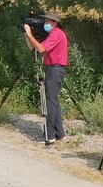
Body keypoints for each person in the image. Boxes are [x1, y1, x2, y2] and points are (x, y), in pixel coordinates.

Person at [22, 12, 68, 144]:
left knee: (50, 102)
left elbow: (41, 49)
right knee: (53, 101)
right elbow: (34, 48)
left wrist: (30, 35)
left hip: (55, 69)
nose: (45, 24)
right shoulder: (52, 34)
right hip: (52, 69)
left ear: (55, 23)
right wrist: (27, 35)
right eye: (45, 22)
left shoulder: (56, 34)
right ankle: (59, 133)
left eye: (48, 22)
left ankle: (50, 135)